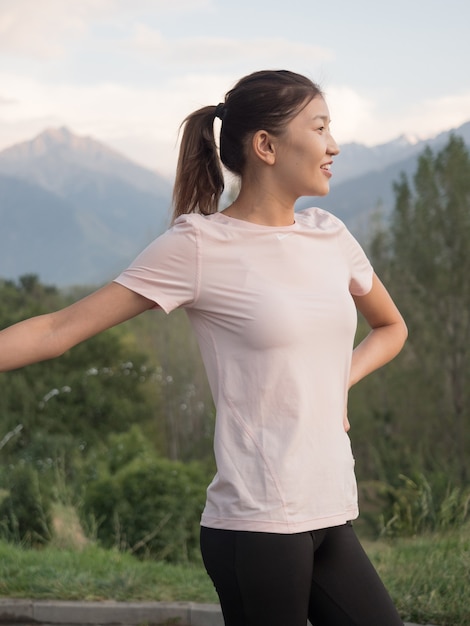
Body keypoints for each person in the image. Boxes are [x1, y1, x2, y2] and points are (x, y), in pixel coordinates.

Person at [0, 70, 407, 625]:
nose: (333, 144)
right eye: (319, 127)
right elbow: (58, 329)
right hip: (258, 524)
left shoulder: (330, 235)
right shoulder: (200, 245)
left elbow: (390, 328)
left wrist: (340, 380)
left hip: (330, 507)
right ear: (266, 145)